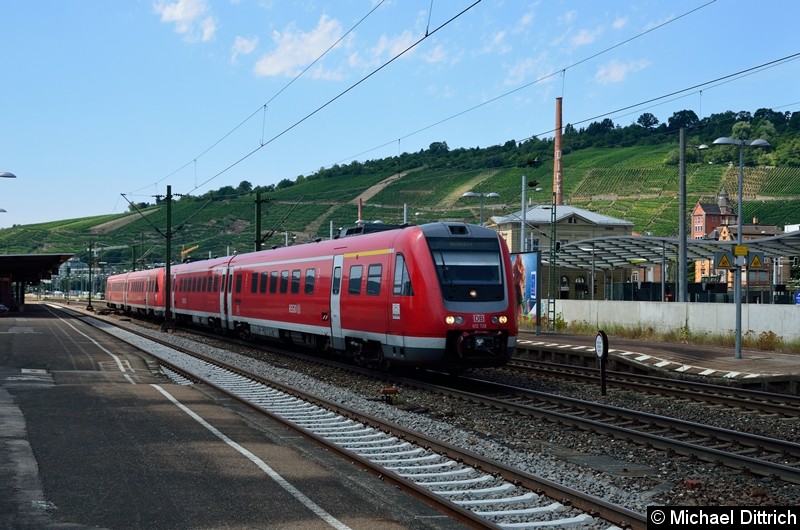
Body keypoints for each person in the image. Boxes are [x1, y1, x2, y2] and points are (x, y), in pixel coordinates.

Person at [512, 256, 526, 322]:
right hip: (516, 287)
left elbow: (522, 277)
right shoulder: (515, 266)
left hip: (520, 288)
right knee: (517, 303)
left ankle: (520, 318)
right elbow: (515, 277)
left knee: (520, 303)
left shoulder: (522, 266)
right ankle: (517, 318)